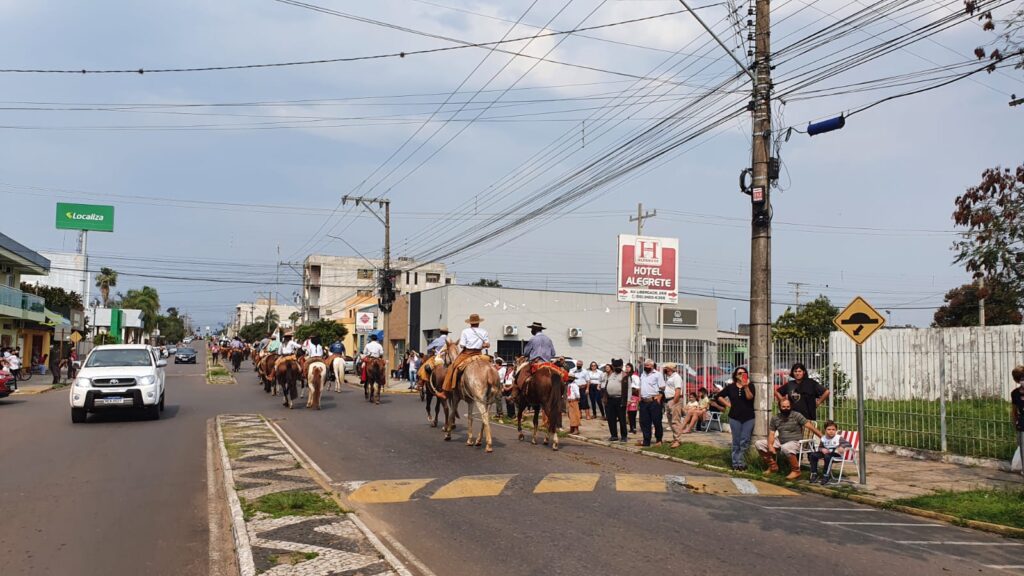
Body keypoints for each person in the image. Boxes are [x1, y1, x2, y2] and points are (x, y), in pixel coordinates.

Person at [755, 398, 823, 480]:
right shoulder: (775, 418)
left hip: (795, 442)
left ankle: (796, 470)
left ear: (791, 406)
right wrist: (770, 445)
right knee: (759, 444)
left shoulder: (796, 415)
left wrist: (823, 437)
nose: (786, 409)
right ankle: (772, 466)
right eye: (783, 407)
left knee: (786, 447)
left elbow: (810, 427)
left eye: (788, 406)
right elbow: (772, 433)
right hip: (780, 440)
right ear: (779, 407)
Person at [437, 314, 489, 400]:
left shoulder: (465, 331)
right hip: (479, 353)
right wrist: (482, 345)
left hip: (467, 353)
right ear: (478, 323)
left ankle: (444, 392)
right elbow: (487, 344)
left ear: (470, 323)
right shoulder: (484, 332)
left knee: (452, 367)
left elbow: (462, 345)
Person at [713, 367, 756, 471]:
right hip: (734, 417)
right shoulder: (731, 387)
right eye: (739, 373)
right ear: (736, 375)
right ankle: (735, 463)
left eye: (744, 373)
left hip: (748, 417)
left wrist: (745, 386)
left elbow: (750, 397)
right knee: (736, 441)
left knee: (744, 441)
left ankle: (742, 462)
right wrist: (728, 404)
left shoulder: (750, 386)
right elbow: (719, 396)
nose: (742, 375)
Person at [636, 359, 665, 447]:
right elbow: (641, 386)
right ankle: (646, 440)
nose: (646, 367)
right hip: (644, 401)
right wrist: (639, 398)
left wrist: (659, 397)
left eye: (648, 365)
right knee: (644, 422)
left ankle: (659, 440)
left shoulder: (657, 374)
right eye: (645, 365)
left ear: (652, 366)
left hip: (654, 401)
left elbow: (662, 387)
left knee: (657, 421)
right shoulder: (643, 374)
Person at [603, 359, 628, 442]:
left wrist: (628, 400)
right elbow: (606, 385)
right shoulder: (610, 375)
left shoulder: (624, 375)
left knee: (622, 419)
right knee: (611, 418)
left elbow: (629, 389)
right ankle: (614, 435)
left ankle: (624, 436)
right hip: (610, 399)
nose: (617, 367)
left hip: (620, 399)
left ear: (621, 366)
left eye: (618, 366)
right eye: (615, 366)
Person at [662, 363, 684, 447]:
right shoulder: (669, 377)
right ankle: (675, 438)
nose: (665, 370)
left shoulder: (676, 377)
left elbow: (678, 391)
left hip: (674, 400)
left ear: (669, 368)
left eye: (666, 368)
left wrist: (673, 402)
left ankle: (677, 440)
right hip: (669, 400)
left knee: (675, 420)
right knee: (671, 421)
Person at [1011, 365, 1024, 478]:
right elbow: (1014, 411)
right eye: (1020, 378)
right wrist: (1015, 423)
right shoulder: (1015, 393)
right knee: (1022, 446)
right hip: (1022, 424)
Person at [624, 363, 640, 434]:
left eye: (628, 367)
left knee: (633, 412)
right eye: (626, 367)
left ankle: (634, 428)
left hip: (634, 395)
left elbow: (638, 386)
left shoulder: (634, 376)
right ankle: (631, 428)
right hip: (627, 395)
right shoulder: (626, 376)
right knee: (629, 412)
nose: (627, 368)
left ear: (631, 367)